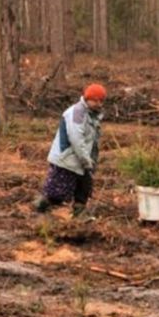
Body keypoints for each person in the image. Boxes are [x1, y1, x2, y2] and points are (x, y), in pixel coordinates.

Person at [34, 83, 106, 217]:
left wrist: (90, 160)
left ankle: (80, 214)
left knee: (84, 187)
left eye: (101, 101)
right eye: (95, 100)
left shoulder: (92, 115)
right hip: (67, 159)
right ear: (87, 98)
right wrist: (86, 160)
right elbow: (76, 139)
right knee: (57, 193)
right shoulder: (77, 113)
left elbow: (91, 141)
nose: (98, 104)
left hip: (81, 159)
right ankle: (40, 207)